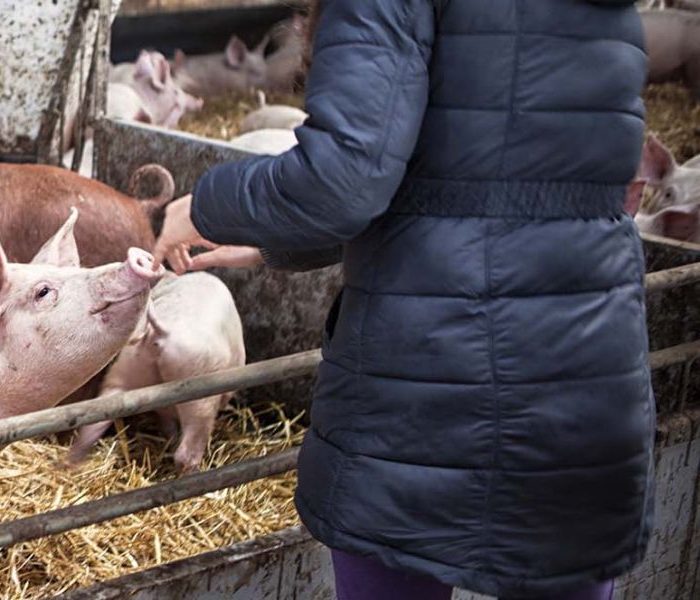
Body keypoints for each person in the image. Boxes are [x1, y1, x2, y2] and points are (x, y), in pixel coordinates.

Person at [153, 1, 654, 599]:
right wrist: (275, 237)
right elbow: (497, 186)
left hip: (430, 381)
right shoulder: (607, 11)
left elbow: (343, 181)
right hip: (587, 369)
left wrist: (207, 205)